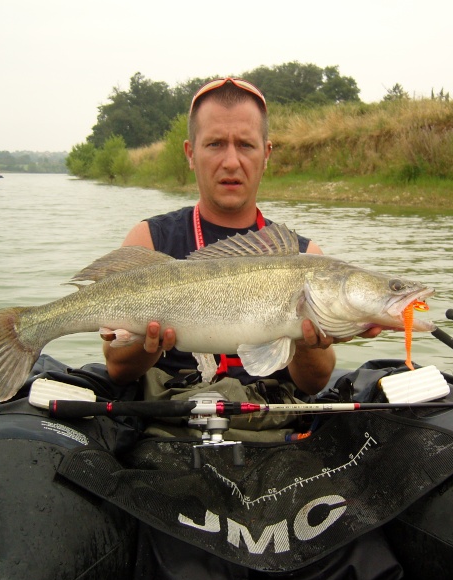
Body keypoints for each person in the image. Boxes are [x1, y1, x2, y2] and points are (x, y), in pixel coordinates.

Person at [103, 77, 382, 396]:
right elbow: (117, 369)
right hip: (171, 417)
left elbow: (314, 383)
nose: (231, 162)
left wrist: (305, 341)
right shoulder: (148, 240)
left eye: (246, 145)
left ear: (266, 154)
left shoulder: (305, 257)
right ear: (191, 153)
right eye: (215, 144)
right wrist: (147, 344)